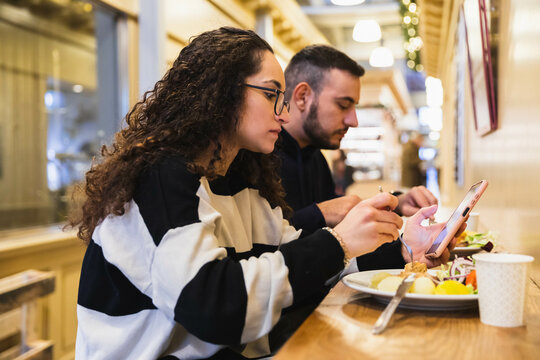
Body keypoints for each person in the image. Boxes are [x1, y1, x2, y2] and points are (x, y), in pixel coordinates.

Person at [70, 27, 456, 360]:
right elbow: (212, 305)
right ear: (220, 94)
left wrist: (404, 248)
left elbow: (298, 267)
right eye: (272, 94)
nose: (284, 115)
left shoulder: (243, 178)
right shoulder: (161, 176)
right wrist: (338, 242)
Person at [278, 44, 438, 234]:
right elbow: (261, 247)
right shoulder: (258, 158)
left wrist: (396, 203)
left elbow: (338, 241)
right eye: (343, 105)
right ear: (303, 97)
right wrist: (319, 214)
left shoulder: (315, 158)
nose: (353, 121)